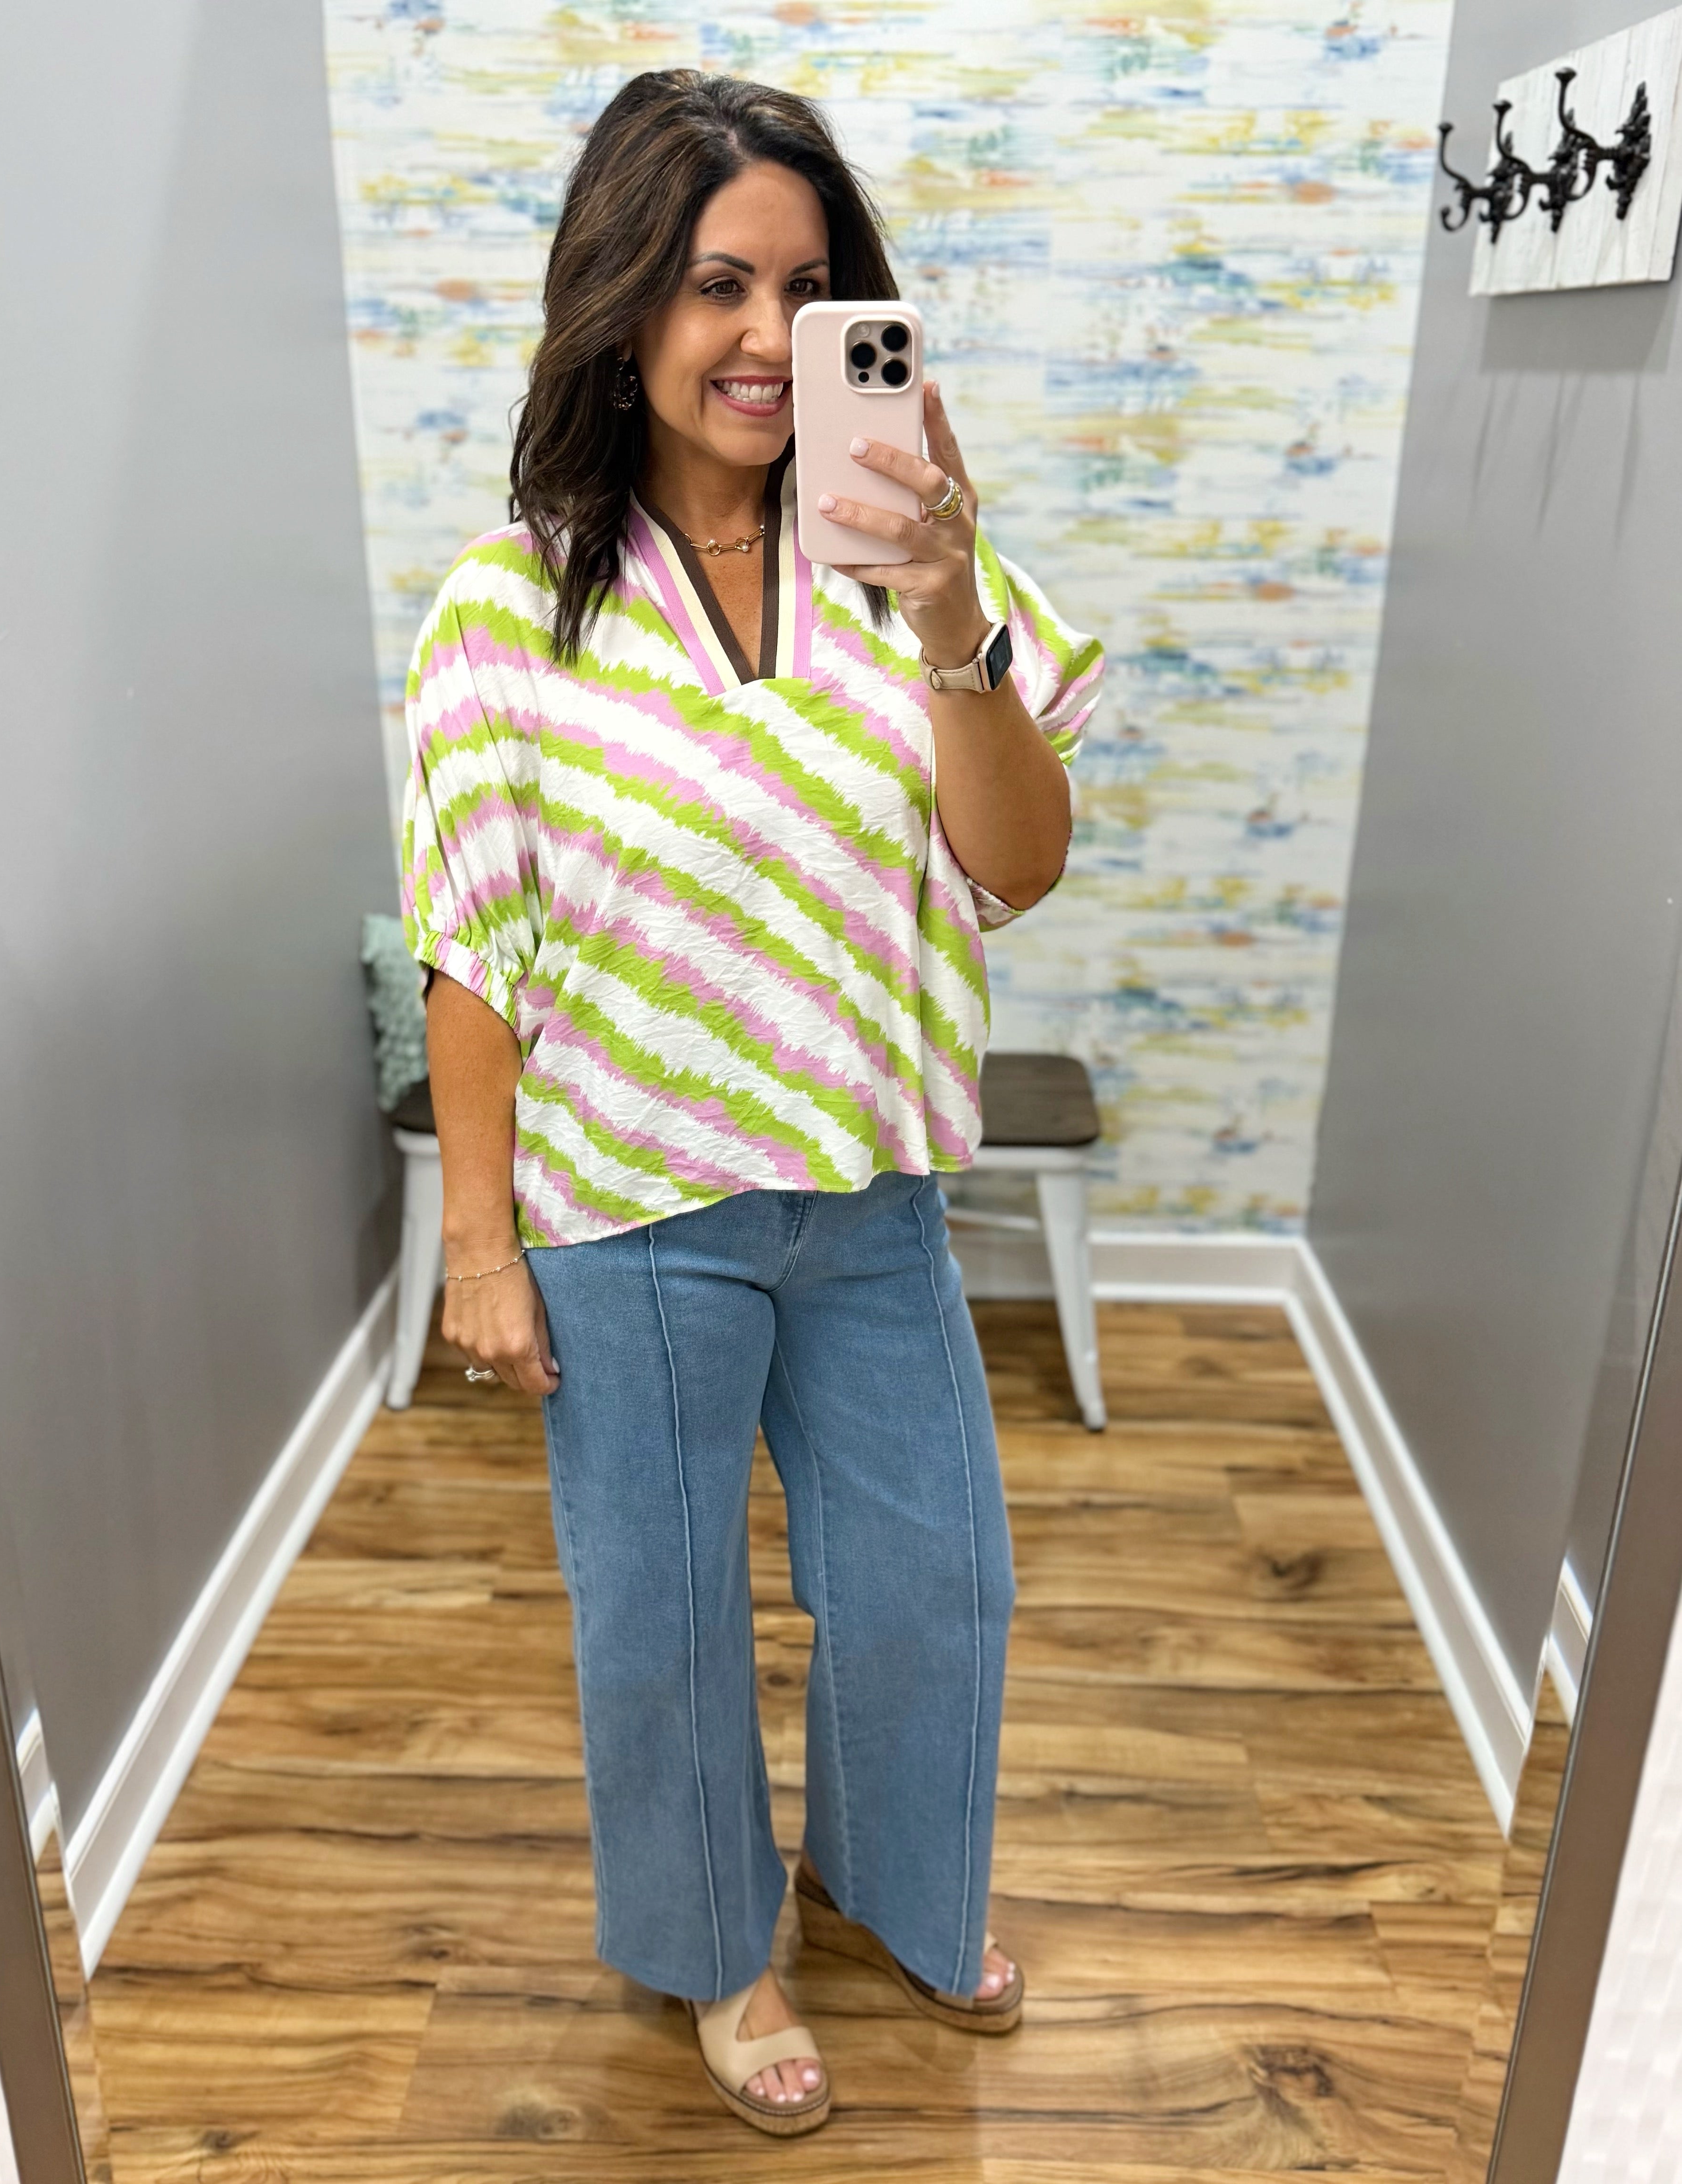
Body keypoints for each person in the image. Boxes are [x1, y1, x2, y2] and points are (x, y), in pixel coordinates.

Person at [402, 67, 1102, 2138]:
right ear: (624, 299)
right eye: (718, 283)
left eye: (808, 291)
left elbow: (1020, 863)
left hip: (872, 1195)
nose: (764, 338)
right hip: (630, 1213)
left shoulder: (916, 563)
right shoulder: (508, 603)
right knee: (665, 1616)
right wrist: (477, 1243)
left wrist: (954, 618)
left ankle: (886, 1883)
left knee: (934, 1583)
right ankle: (718, 1949)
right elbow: (473, 946)